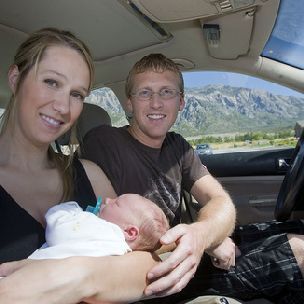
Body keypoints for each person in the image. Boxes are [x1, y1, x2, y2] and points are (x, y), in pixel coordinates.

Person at [81, 53, 304, 303]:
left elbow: (219, 199)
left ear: (181, 103)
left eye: (166, 92)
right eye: (145, 92)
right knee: (299, 251)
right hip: (153, 273)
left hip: (182, 250)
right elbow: (115, 238)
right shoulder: (104, 142)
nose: (156, 103)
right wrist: (204, 240)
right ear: (129, 104)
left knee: (295, 230)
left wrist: (205, 233)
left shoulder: (179, 147)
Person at [0, 28, 166, 304]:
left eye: (77, 94)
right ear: (16, 79)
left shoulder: (88, 174)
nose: (63, 106)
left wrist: (80, 276)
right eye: (51, 82)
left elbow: (147, 260)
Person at [29, 194, 169, 259]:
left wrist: (71, 209)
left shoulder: (106, 233)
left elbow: (58, 230)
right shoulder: (119, 252)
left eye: (116, 203)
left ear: (130, 232)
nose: (108, 199)